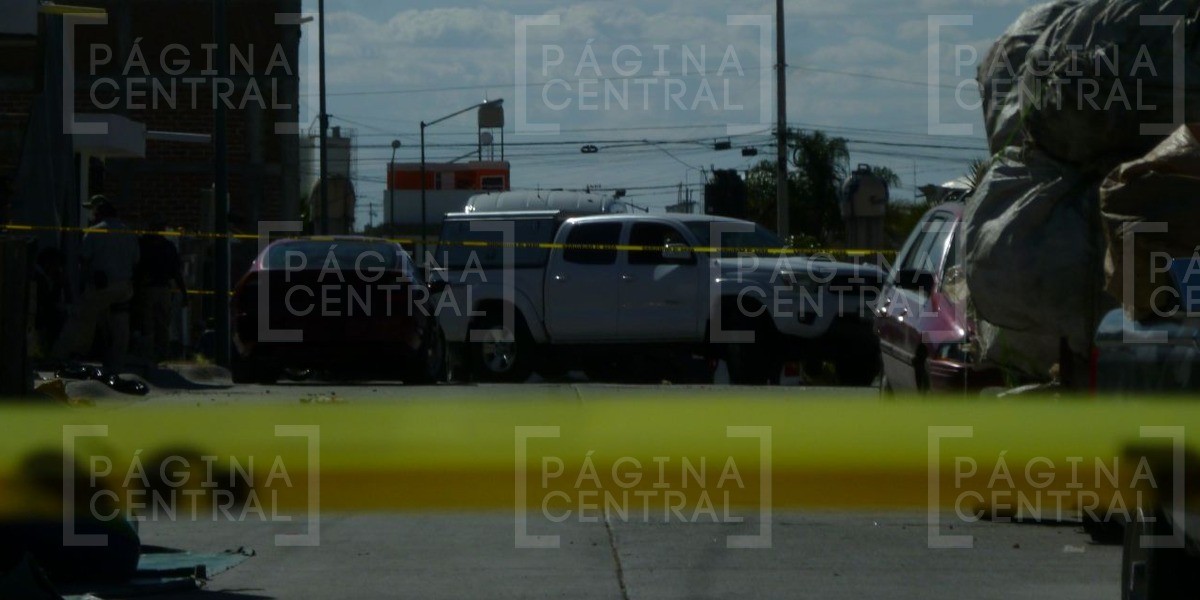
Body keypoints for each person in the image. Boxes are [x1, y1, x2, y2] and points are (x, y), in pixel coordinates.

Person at [52, 196, 140, 373]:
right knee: (119, 325)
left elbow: (84, 260)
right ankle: (116, 363)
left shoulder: (94, 232)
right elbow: (135, 260)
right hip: (124, 286)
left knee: (81, 319)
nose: (90, 214)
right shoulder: (128, 232)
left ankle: (64, 355)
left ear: (98, 211)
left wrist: (83, 285)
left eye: (92, 210)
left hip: (101, 285)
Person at [133, 216, 187, 362]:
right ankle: (161, 353)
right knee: (161, 323)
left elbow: (136, 268)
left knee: (148, 323)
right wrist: (184, 293)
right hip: (163, 289)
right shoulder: (168, 247)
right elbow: (176, 272)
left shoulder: (143, 245)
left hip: (148, 288)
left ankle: (150, 354)